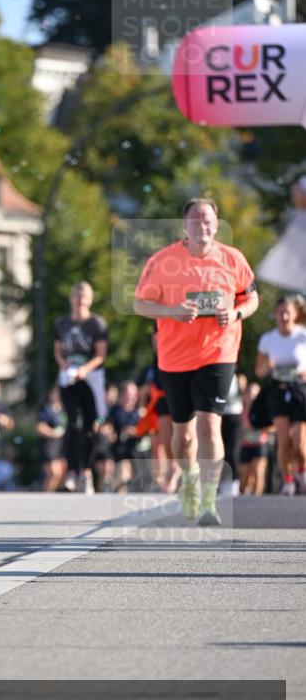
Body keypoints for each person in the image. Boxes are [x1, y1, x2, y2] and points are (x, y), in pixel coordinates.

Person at [134, 198, 259, 524]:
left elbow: (251, 296)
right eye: (195, 220)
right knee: (184, 434)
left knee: (209, 423)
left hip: (219, 352)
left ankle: (208, 500)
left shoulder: (233, 260)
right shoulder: (163, 261)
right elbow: (140, 304)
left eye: (208, 221)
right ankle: (188, 480)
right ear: (184, 226)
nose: (202, 226)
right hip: (175, 357)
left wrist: (236, 312)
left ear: (217, 225)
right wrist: (171, 312)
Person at [54, 281, 107, 494]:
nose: (80, 301)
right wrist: (63, 364)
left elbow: (100, 354)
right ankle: (72, 472)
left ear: (90, 299)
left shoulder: (97, 324)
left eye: (84, 296)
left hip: (90, 378)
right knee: (72, 423)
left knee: (90, 426)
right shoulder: (61, 323)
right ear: (71, 298)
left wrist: (85, 368)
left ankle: (85, 471)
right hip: (69, 378)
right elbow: (57, 350)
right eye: (77, 296)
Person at [255, 294, 306, 495]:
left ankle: (301, 471)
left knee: (300, 442)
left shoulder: (303, 336)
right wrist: (267, 366)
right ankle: (287, 480)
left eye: (288, 312)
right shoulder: (268, 339)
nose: (284, 316)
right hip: (278, 388)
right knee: (283, 438)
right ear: (275, 314)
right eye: (280, 312)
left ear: (295, 314)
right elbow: (258, 370)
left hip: (300, 389)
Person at [136, 329, 179, 493]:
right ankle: (168, 471)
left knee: (182, 437)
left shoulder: (177, 354)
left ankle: (176, 471)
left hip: (177, 397)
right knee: (164, 441)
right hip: (160, 402)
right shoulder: (153, 365)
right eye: (154, 338)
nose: (156, 340)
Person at [108, 381, 140, 492]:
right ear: (122, 395)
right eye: (128, 394)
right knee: (123, 475)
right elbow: (104, 421)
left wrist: (137, 431)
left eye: (133, 394)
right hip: (119, 453)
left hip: (138, 455)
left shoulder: (140, 414)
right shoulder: (114, 411)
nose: (130, 397)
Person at [239, 382, 270, 496]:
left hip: (260, 443)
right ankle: (243, 495)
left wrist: (263, 429)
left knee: (257, 471)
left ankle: (257, 498)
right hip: (246, 444)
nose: (253, 397)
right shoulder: (240, 408)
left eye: (255, 395)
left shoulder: (263, 409)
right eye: (250, 394)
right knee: (244, 475)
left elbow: (273, 425)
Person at [37, 387, 68, 492]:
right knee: (54, 473)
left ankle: (54, 498)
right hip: (49, 446)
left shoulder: (63, 410)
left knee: (62, 474)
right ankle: (46, 498)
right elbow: (40, 428)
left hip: (61, 446)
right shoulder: (46, 409)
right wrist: (53, 433)